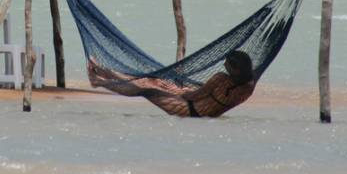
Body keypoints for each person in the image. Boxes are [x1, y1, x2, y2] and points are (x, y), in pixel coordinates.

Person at [87, 50, 256, 118]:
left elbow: (193, 96)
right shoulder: (248, 87)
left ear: (235, 69)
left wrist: (176, 90)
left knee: (146, 88)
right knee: (154, 81)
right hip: (198, 107)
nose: (224, 67)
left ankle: (99, 81)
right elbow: (206, 96)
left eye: (227, 65)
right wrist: (175, 88)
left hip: (189, 109)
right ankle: (103, 72)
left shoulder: (220, 78)